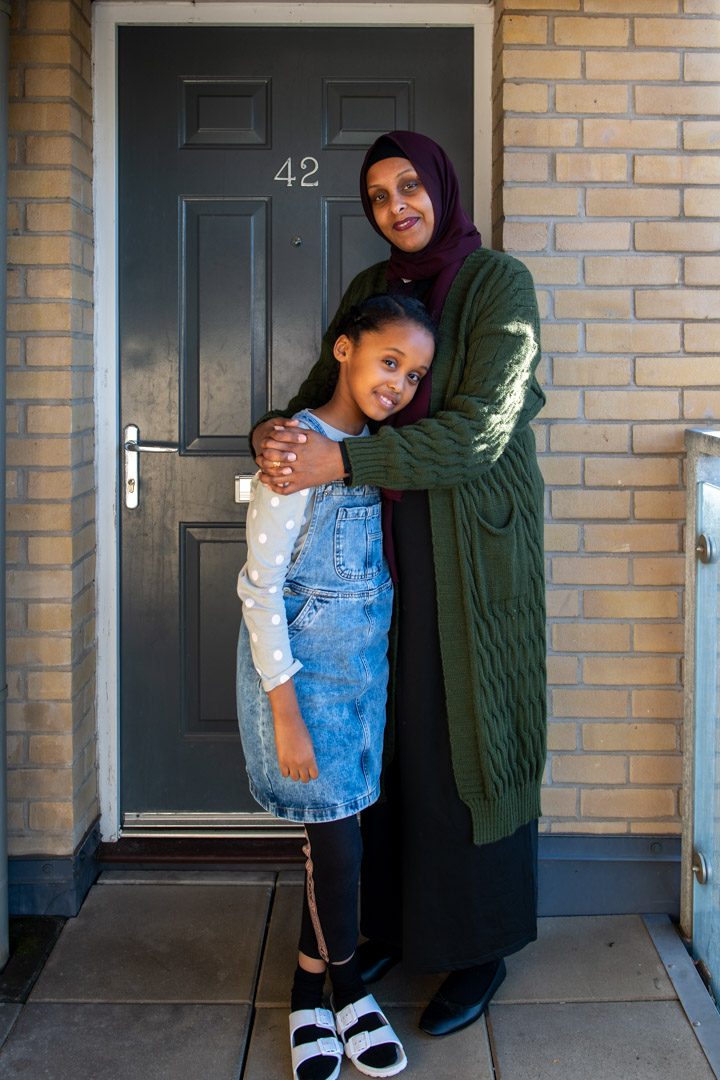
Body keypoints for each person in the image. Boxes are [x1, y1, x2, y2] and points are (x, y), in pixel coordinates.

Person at [252, 131, 547, 1039]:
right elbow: (321, 399)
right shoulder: (371, 295)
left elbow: (476, 436)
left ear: (441, 187)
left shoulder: (498, 283)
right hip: (372, 555)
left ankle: (477, 945)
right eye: (378, 197)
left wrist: (339, 462)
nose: (396, 207)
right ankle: (383, 927)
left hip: (470, 553)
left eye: (409, 186)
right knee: (389, 736)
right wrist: (276, 435)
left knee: (465, 742)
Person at [237, 293, 436, 1080]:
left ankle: (316, 987)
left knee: (340, 842)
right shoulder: (293, 453)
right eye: (390, 361)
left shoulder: (379, 451)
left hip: (361, 681)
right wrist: (286, 713)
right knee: (338, 846)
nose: (401, 384)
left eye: (414, 373)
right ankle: (336, 990)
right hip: (304, 685)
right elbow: (260, 589)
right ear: (345, 350)